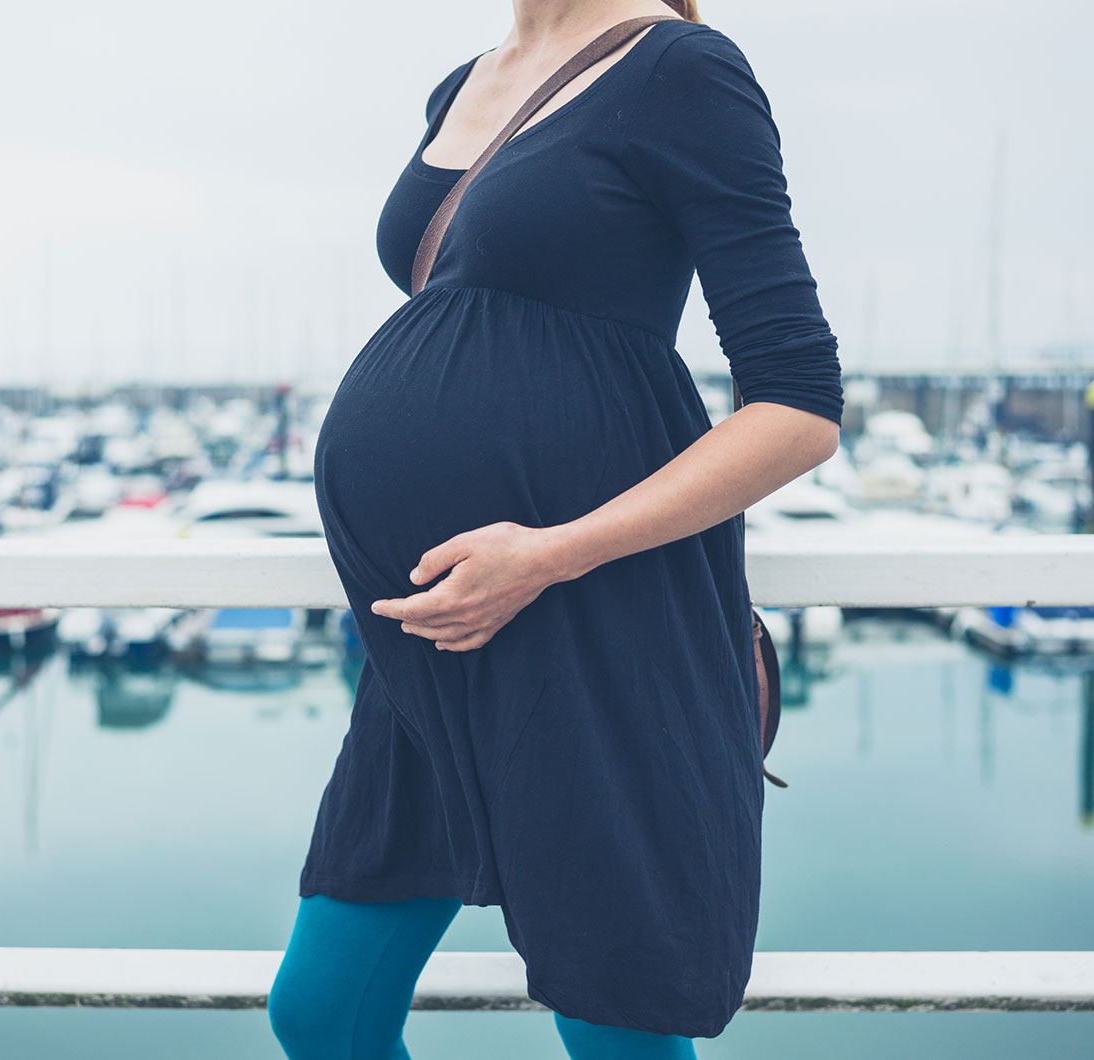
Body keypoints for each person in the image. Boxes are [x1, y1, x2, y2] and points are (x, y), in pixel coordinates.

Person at [270, 0, 843, 1055]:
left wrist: (547, 553)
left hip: (583, 611)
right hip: (431, 641)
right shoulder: (464, 82)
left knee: (612, 1020)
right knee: (319, 1014)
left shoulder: (683, 68)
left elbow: (799, 407)